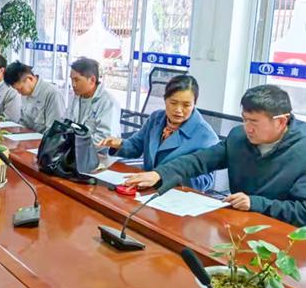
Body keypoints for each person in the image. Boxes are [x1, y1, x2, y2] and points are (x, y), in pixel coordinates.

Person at [125, 85, 306, 227]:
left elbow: (302, 212)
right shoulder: (238, 137)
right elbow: (200, 160)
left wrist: (255, 203)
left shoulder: (301, 151)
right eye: (244, 119)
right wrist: (160, 173)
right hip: (236, 226)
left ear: (281, 121)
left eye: (254, 122)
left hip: (284, 238)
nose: (247, 128)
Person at [99, 75, 218, 192]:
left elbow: (206, 180)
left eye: (186, 105)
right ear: (165, 100)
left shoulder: (206, 136)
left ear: (194, 104)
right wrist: (119, 144)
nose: (178, 110)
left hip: (177, 194)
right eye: (173, 102)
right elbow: (137, 145)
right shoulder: (156, 118)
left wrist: (167, 175)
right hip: (146, 188)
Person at [65, 57, 121, 146]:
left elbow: (105, 139)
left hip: (100, 152)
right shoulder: (76, 97)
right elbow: (66, 123)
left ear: (92, 80)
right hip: (75, 149)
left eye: (77, 80)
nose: (73, 84)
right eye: (71, 80)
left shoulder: (108, 103)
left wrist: (76, 144)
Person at [4, 61, 64, 133]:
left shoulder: (52, 93)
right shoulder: (25, 93)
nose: (19, 93)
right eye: (16, 89)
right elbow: (23, 122)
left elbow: (54, 130)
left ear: (30, 79)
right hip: (27, 137)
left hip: (43, 139)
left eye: (20, 89)